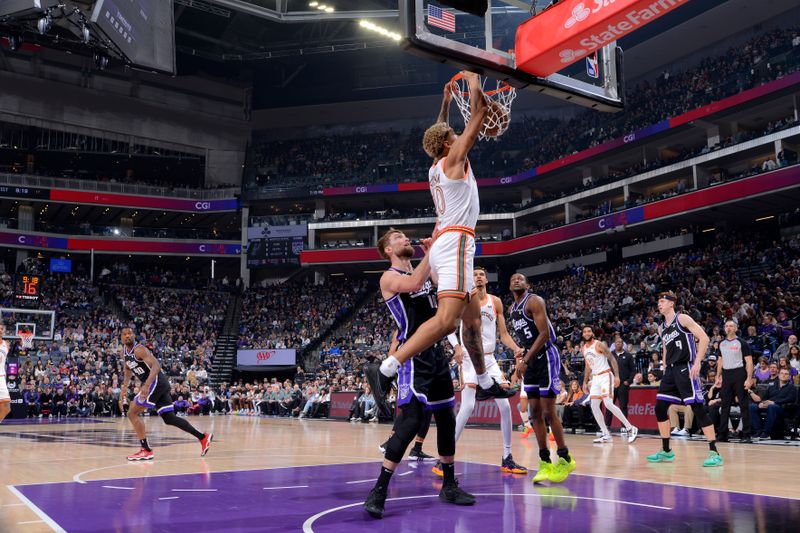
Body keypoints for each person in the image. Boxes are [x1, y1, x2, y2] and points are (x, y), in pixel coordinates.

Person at [370, 72, 511, 404]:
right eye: (453, 134)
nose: (458, 134)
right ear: (450, 143)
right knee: (448, 321)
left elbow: (437, 133)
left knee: (472, 320)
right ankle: (389, 367)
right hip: (457, 242)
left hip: (449, 241)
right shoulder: (453, 159)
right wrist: (475, 80)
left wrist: (446, 102)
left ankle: (484, 379)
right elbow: (478, 115)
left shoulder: (436, 164)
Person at [363, 229, 474, 520]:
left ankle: (449, 484)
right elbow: (413, 283)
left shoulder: (420, 270)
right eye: (398, 238)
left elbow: (439, 290)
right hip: (412, 356)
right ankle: (379, 489)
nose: (405, 239)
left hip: (435, 353)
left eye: (405, 236)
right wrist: (434, 250)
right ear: (388, 249)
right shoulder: (388, 277)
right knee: (410, 422)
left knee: (447, 420)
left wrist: (433, 258)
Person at [448, 267, 527, 475]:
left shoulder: (496, 302)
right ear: (470, 280)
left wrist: (516, 348)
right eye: (475, 275)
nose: (479, 277)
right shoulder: (463, 300)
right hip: (468, 357)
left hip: (490, 359)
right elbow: (449, 326)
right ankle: (445, 457)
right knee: (467, 407)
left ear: (486, 280)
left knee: (506, 407)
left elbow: (504, 334)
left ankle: (507, 457)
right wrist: (456, 346)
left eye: (482, 274)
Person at [509, 273, 575, 483]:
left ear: (528, 284)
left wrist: (526, 359)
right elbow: (524, 339)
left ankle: (565, 457)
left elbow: (544, 333)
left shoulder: (534, 301)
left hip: (546, 356)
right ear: (510, 286)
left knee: (548, 410)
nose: (517, 280)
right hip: (530, 359)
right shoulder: (512, 311)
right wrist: (521, 355)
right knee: (534, 412)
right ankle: (545, 460)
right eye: (513, 279)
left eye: (521, 278)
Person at [646, 291, 723, 467]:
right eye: (658, 301)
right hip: (671, 371)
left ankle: (715, 452)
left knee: (697, 407)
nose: (659, 304)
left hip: (686, 367)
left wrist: (697, 363)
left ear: (671, 303)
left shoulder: (683, 319)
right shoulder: (661, 327)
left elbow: (704, 338)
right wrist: (665, 367)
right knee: (659, 408)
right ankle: (666, 451)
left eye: (663, 301)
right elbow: (666, 347)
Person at [120, 327, 213, 461]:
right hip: (159, 384)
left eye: (130, 333)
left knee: (132, 412)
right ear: (121, 337)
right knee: (169, 418)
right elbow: (128, 369)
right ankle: (203, 437)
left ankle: (146, 450)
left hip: (155, 382)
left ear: (134, 336)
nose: (128, 336)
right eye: (125, 334)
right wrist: (124, 387)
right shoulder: (123, 353)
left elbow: (156, 366)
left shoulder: (139, 349)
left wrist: (146, 386)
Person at [580, 326, 638, 443]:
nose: (587, 333)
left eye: (589, 331)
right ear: (582, 334)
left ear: (592, 333)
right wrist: (585, 382)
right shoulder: (584, 348)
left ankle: (630, 428)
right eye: (585, 332)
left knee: (608, 403)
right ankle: (606, 434)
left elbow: (612, 358)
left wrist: (616, 376)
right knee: (594, 406)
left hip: (605, 375)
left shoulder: (599, 344)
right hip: (595, 378)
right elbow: (587, 366)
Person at [716, 320, 754, 443]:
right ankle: (722, 434)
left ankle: (746, 435)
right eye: (726, 326)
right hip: (726, 375)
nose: (728, 328)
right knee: (725, 405)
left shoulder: (742, 342)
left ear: (736, 328)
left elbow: (749, 362)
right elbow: (720, 361)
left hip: (739, 373)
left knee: (743, 405)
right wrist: (718, 376)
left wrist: (748, 379)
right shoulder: (721, 343)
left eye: (731, 326)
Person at [748, 368, 798, 439]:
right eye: (782, 373)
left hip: (784, 409)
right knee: (752, 407)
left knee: (772, 406)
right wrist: (762, 403)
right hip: (770, 406)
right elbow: (764, 398)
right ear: (779, 375)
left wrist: (774, 402)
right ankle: (758, 431)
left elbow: (790, 399)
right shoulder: (772, 387)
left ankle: (766, 433)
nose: (783, 375)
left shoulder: (792, 388)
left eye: (786, 374)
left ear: (789, 376)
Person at [604, 340, 636, 432]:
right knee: (609, 405)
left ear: (623, 344)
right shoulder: (610, 355)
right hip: (611, 385)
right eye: (616, 343)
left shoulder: (628, 356)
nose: (618, 344)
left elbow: (633, 370)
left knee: (623, 406)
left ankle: (624, 427)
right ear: (614, 344)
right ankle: (607, 427)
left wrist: (628, 381)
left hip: (623, 384)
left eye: (620, 343)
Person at [0, 325, 10, 424]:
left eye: (2, 328)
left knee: (6, 407)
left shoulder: (6, 344)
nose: (0, 330)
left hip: (1, 377)